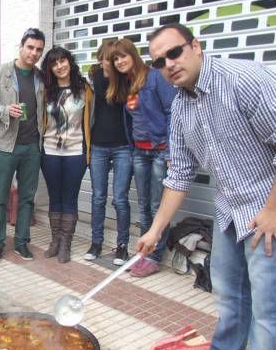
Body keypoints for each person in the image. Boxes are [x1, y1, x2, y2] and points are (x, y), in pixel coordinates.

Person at [138, 23, 276, 350]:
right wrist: (155, 230)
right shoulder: (180, 107)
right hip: (230, 210)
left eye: (175, 53)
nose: (169, 65)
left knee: (269, 313)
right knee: (229, 296)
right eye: (160, 61)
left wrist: (273, 210)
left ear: (196, 46)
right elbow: (179, 173)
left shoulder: (244, 80)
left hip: (268, 210)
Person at [107, 38, 176, 276]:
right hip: (139, 151)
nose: (119, 61)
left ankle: (154, 257)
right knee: (144, 205)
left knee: (158, 206)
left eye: (123, 56)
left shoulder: (155, 76)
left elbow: (172, 112)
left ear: (133, 54)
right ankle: (144, 252)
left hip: (159, 150)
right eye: (115, 59)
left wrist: (170, 151)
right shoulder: (126, 83)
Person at [0, 28, 46, 263]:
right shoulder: (2, 73)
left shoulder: (40, 77)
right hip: (6, 145)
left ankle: (21, 242)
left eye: (39, 49)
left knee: (28, 197)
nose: (34, 53)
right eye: (30, 47)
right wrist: (6, 110)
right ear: (21, 46)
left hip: (31, 147)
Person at [40, 47, 93, 263]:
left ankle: (66, 244)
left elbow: (92, 121)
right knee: (55, 196)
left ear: (69, 62)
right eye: (54, 63)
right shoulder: (46, 91)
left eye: (63, 61)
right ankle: (55, 240)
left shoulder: (84, 89)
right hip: (50, 150)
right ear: (50, 68)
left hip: (75, 151)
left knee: (70, 197)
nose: (60, 66)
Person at [84, 41, 133, 266]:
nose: (107, 63)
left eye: (111, 59)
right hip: (98, 146)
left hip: (123, 146)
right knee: (98, 196)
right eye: (104, 58)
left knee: (121, 199)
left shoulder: (125, 80)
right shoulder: (92, 80)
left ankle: (122, 246)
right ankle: (96, 243)